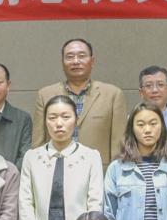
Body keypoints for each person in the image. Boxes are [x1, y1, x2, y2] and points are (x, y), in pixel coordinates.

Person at [20, 95, 103, 220]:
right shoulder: (31, 157)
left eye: (66, 117)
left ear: (76, 120)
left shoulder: (91, 157)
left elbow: (95, 204)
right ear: (45, 121)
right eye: (52, 117)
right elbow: (25, 204)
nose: (59, 123)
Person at [32, 39, 126, 167]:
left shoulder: (113, 95)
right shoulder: (45, 95)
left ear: (92, 61)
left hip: (99, 173)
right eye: (70, 57)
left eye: (81, 56)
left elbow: (119, 145)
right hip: (54, 170)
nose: (76, 61)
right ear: (62, 62)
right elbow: (38, 144)